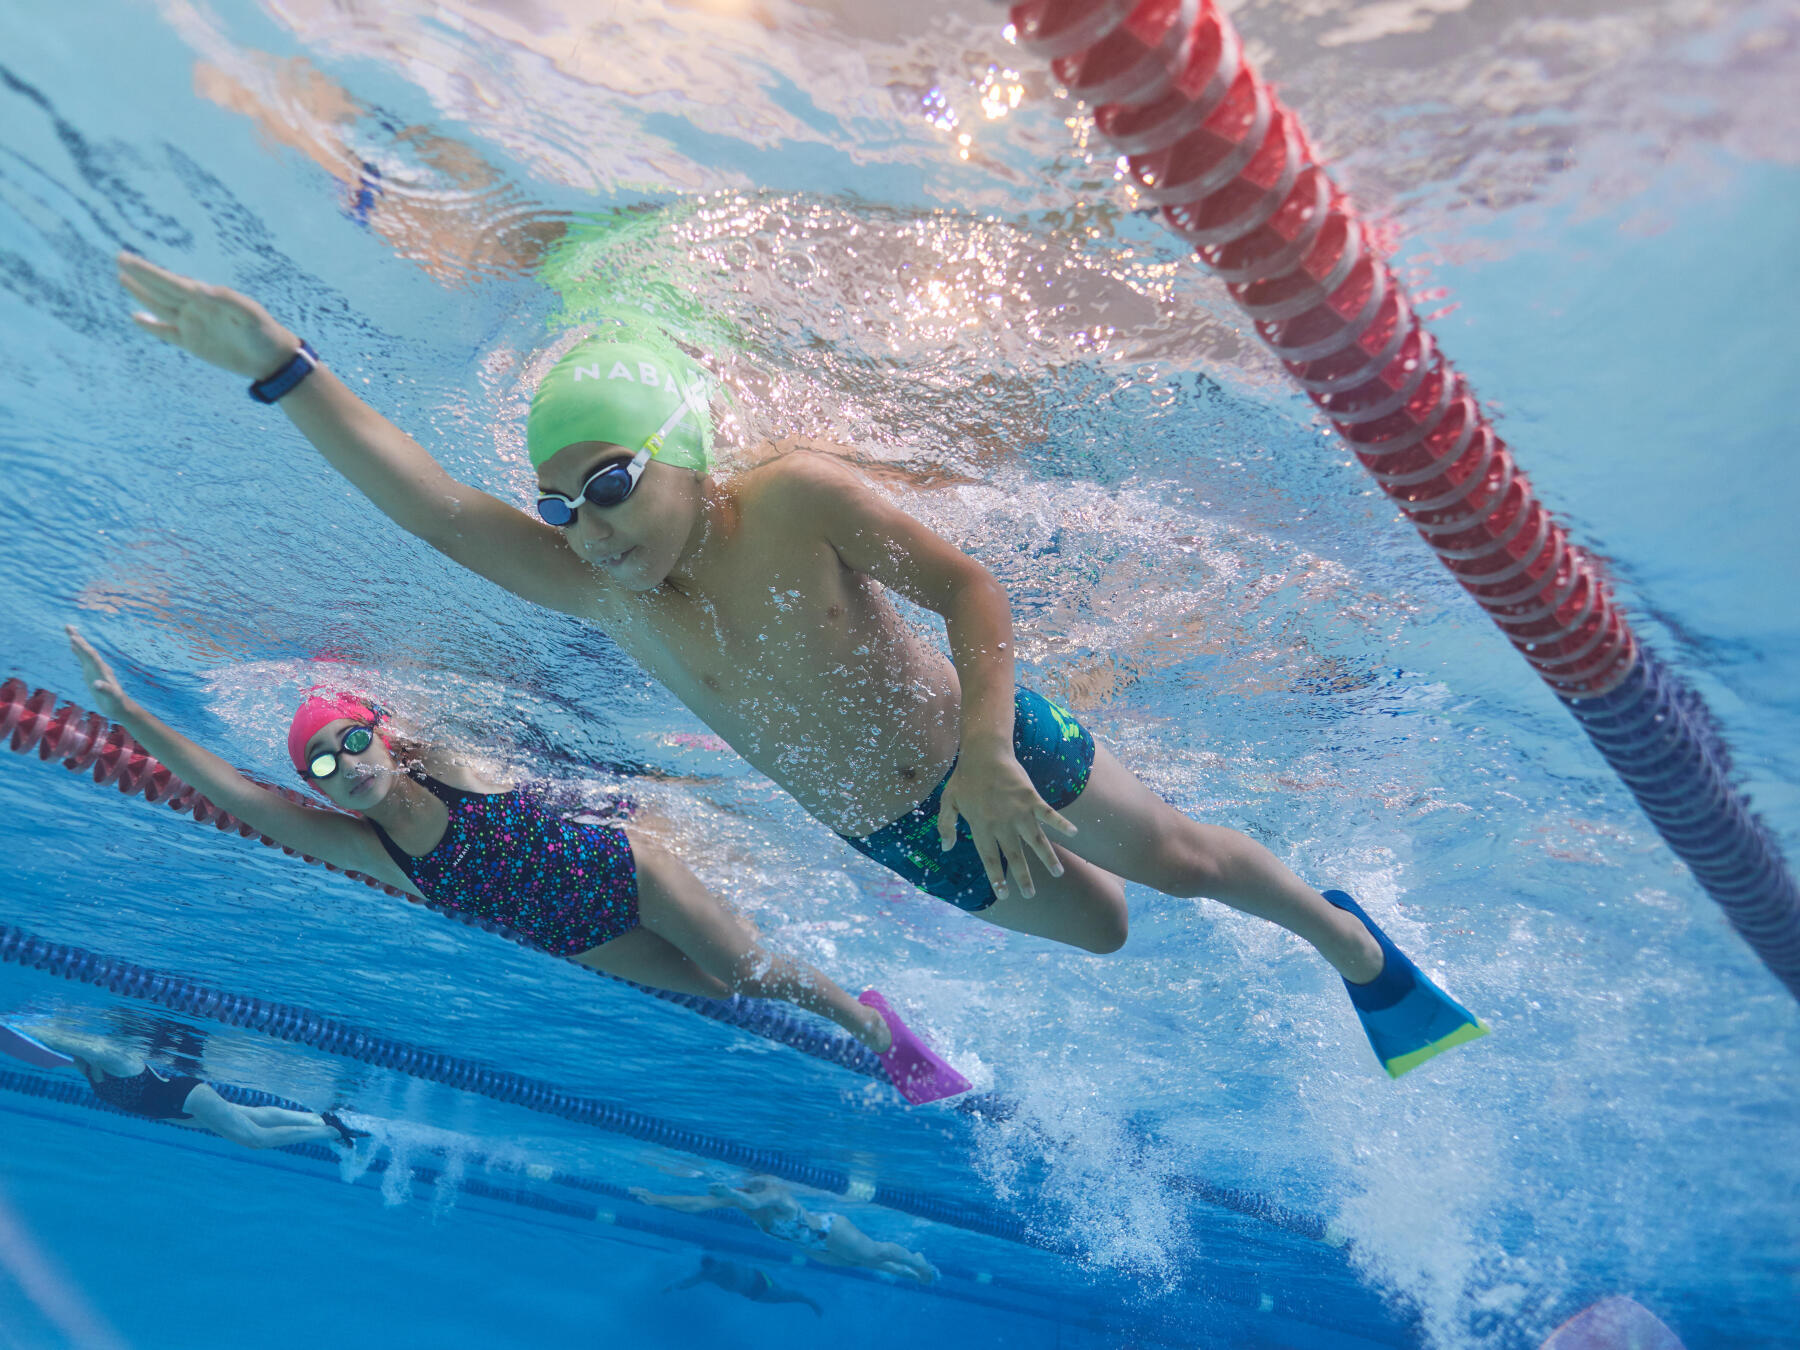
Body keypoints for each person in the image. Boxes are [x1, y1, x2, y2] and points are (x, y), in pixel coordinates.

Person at [112, 254, 1488, 1078]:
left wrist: (999, 755)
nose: (585, 522)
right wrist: (281, 370)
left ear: (686, 451)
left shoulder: (793, 503)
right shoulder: (599, 586)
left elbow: (968, 586)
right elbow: (421, 499)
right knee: (1111, 927)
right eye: (559, 506)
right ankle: (1209, 883)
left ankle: (1351, 944)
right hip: (896, 825)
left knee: (1180, 855)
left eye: (607, 480)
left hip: (981, 752)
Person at [64, 628, 968, 1103]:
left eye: (353, 743)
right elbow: (233, 793)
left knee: (749, 967)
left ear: (382, 731)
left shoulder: (449, 758)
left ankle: (882, 1033)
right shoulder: (365, 847)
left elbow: (446, 679)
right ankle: (856, 1008)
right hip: (578, 936)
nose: (348, 768)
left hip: (629, 868)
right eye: (325, 769)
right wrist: (129, 719)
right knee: (730, 994)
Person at [2, 1020, 366, 1152]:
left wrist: (11, 1022)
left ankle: (331, 1134)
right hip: (171, 1110)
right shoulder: (87, 1068)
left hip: (184, 1097)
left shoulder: (115, 1057)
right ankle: (319, 1119)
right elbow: (53, 1049)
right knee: (249, 1114)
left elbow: (63, 1039)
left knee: (255, 1138)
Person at [632, 1177, 936, 1284]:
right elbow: (698, 1204)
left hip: (830, 1231)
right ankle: (910, 1274)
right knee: (860, 1263)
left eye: (750, 1187)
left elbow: (754, 1198)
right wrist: (658, 1199)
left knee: (874, 1253)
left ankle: (916, 1261)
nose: (748, 1190)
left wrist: (735, 1195)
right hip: (813, 1249)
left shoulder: (776, 1196)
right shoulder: (746, 1203)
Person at [662, 1254, 822, 1317]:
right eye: (711, 1269)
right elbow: (689, 1282)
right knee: (781, 1299)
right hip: (752, 1293)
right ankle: (808, 1302)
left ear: (716, 1262)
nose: (715, 1270)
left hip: (761, 1281)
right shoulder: (706, 1275)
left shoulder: (727, 1262)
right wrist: (673, 1286)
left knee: (785, 1295)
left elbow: (748, 1263)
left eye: (715, 1266)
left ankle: (810, 1301)